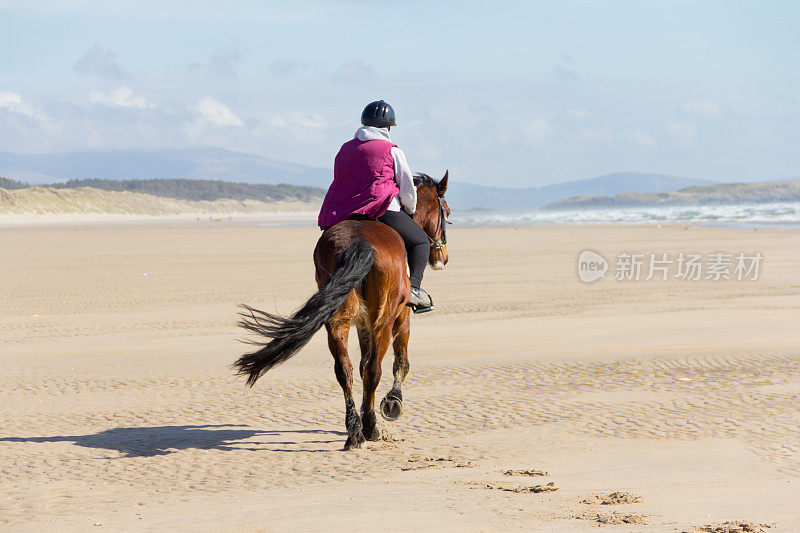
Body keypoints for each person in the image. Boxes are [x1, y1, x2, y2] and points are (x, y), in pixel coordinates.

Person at [318, 100, 432, 313]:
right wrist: (409, 208)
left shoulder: (344, 149)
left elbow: (340, 179)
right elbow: (407, 186)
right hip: (382, 207)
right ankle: (414, 290)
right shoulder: (392, 150)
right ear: (388, 127)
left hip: (345, 210)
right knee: (420, 242)